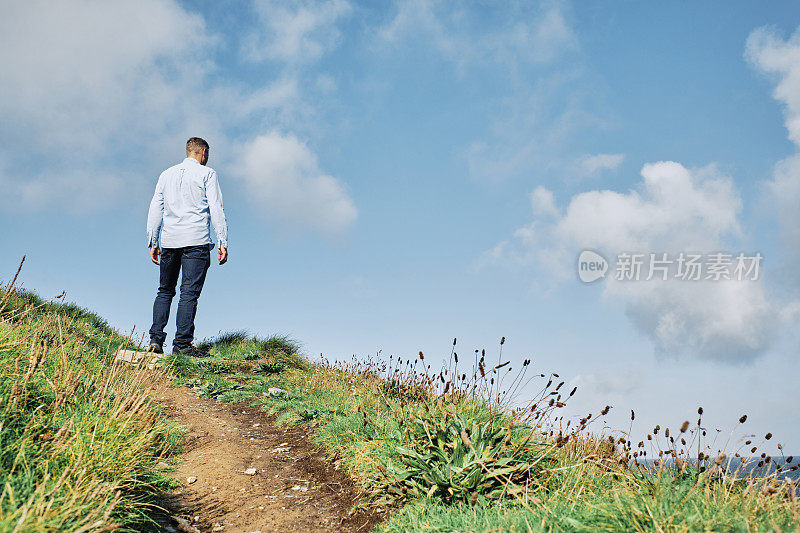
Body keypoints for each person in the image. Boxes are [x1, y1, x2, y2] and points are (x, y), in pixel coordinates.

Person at [145, 137, 228, 356]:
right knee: (188, 293)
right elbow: (216, 208)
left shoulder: (165, 174)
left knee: (164, 291)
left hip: (169, 241)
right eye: (207, 155)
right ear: (202, 153)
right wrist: (223, 241)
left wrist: (153, 241)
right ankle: (181, 345)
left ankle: (155, 341)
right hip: (196, 241)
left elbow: (155, 209)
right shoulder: (207, 174)